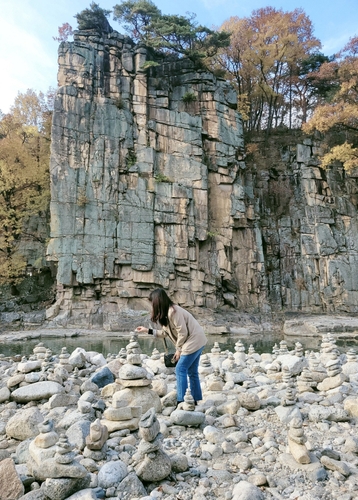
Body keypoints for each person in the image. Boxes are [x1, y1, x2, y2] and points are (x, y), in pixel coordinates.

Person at [136, 288, 207, 405]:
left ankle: (181, 401)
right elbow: (164, 333)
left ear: (157, 302)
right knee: (192, 371)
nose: (151, 306)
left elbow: (183, 332)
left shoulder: (174, 312)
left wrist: (179, 350)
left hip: (194, 340)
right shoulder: (167, 313)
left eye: (152, 303)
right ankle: (194, 399)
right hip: (198, 340)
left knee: (180, 369)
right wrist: (147, 330)